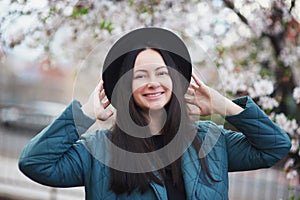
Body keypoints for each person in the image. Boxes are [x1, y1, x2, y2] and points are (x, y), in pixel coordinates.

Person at [19, 27, 291, 200]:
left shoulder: (211, 141)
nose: (153, 82)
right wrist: (84, 115)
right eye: (140, 76)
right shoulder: (98, 150)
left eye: (162, 73)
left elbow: (275, 147)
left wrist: (223, 106)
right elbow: (34, 163)